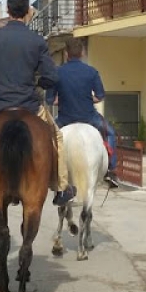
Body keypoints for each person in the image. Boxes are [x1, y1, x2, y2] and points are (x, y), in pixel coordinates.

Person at [0, 0, 76, 207]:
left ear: (7, 9)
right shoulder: (36, 40)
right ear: (28, 12)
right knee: (57, 138)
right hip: (29, 105)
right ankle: (62, 187)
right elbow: (51, 76)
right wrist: (37, 85)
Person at [47, 37, 119, 188]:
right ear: (82, 53)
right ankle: (111, 170)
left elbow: (50, 99)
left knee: (47, 138)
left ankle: (48, 170)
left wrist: (63, 99)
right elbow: (100, 96)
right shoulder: (91, 71)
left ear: (66, 54)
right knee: (110, 133)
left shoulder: (57, 72)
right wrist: (87, 98)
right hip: (89, 117)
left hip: (65, 118)